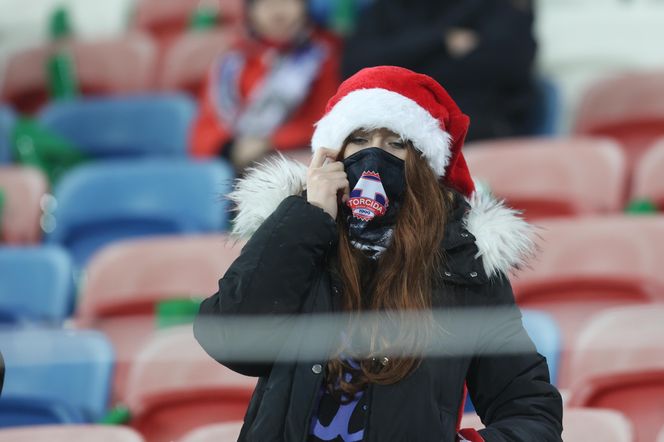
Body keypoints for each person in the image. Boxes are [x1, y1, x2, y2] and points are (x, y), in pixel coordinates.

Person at [194, 66, 562, 441]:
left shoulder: (465, 263)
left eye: (396, 143)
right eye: (359, 139)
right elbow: (229, 339)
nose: (373, 156)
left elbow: (531, 410)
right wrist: (307, 216)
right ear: (333, 155)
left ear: (423, 163)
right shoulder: (300, 237)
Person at [341, 0, 537, 141]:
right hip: (400, 128)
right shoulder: (385, 10)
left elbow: (508, 65)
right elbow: (356, 68)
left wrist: (405, 67)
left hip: (477, 129)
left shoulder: (494, 8)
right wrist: (439, 41)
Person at [190, 0, 341, 171]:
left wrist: (268, 143)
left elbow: (325, 122)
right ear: (250, 12)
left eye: (288, 3)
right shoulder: (230, 63)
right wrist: (232, 148)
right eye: (266, 4)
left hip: (291, 164)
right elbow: (203, 130)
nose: (278, 13)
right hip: (232, 165)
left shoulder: (321, 57)